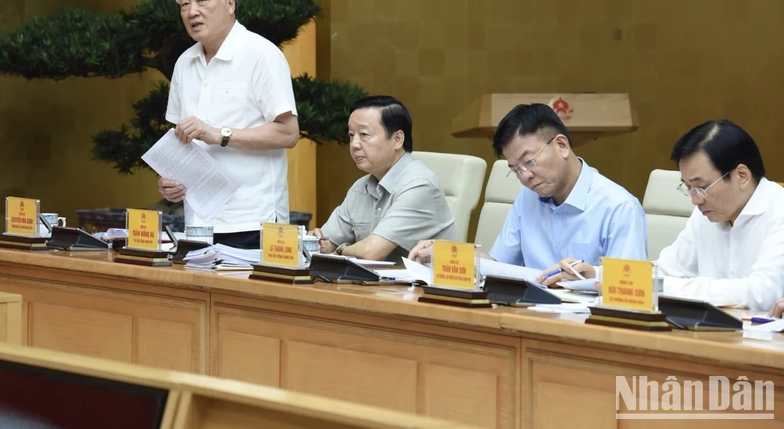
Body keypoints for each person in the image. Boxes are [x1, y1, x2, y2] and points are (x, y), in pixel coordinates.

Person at [558, 120, 784, 311]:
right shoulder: (705, 214)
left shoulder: (779, 210)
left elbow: (761, 293)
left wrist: (665, 287)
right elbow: (666, 268)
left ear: (741, 175)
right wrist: (598, 275)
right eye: (688, 188)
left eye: (701, 187)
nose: (695, 200)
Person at [409, 103, 647, 282]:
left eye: (529, 161)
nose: (524, 176)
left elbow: (628, 286)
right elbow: (498, 265)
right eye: (515, 169)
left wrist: (591, 277)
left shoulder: (618, 206)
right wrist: (444, 253)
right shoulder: (528, 198)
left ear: (561, 146)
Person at [158, 0, 299, 249]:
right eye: (184, 4)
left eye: (201, 1)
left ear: (230, 4)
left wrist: (220, 134)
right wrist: (170, 179)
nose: (191, 11)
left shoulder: (262, 55)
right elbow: (180, 138)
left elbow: (288, 133)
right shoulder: (185, 62)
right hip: (198, 221)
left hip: (251, 219)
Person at [313, 96, 457, 263]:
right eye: (351, 135)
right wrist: (314, 242)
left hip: (427, 287)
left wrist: (340, 250)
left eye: (364, 134)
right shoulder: (360, 187)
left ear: (397, 139)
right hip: (377, 286)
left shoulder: (420, 185)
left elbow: (371, 252)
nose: (354, 144)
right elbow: (326, 242)